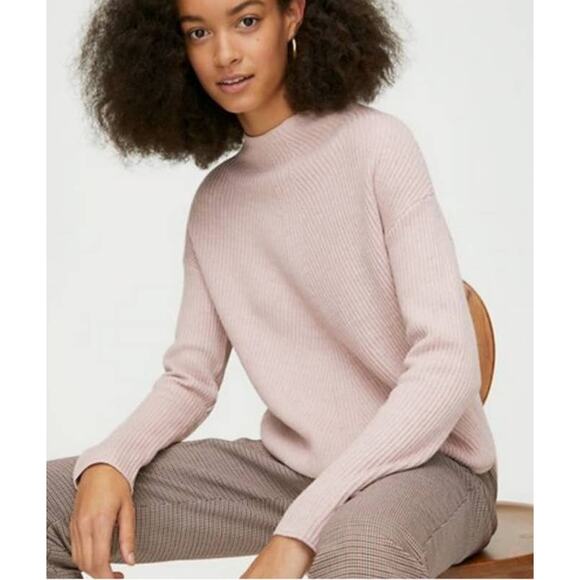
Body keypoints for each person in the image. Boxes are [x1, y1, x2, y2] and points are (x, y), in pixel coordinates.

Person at [47, 0, 499, 578]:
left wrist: (301, 530)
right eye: (198, 32)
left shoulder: (378, 147)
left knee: (360, 549)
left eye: (247, 21)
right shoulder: (216, 204)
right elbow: (190, 379)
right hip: (291, 475)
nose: (224, 54)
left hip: (431, 468)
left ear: (294, 15)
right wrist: (112, 460)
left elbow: (447, 364)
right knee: (34, 504)